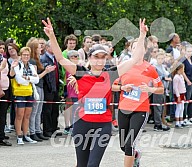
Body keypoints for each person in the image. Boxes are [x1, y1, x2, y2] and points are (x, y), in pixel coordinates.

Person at [42, 17, 147, 167]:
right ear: (89, 58)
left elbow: (134, 58)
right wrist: (51, 36)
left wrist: (142, 35)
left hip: (103, 125)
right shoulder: (80, 72)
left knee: (93, 164)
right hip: (82, 124)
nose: (99, 61)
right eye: (96, 57)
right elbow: (60, 58)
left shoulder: (110, 74)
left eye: (103, 57)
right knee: (82, 165)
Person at [112, 41, 164, 166]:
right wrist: (123, 87)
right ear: (130, 49)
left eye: (139, 47)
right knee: (123, 146)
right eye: (134, 47)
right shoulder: (124, 66)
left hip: (141, 109)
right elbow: (112, 85)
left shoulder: (150, 68)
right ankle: (136, 155)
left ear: (144, 50)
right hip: (123, 109)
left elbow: (161, 89)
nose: (136, 50)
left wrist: (150, 89)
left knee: (130, 143)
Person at [13, 47, 39, 144]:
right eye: (24, 55)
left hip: (29, 92)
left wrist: (27, 77)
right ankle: (19, 136)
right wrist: (31, 79)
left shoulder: (31, 66)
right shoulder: (17, 65)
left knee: (27, 115)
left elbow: (37, 80)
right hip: (20, 93)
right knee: (20, 115)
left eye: (27, 55)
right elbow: (19, 80)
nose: (26, 56)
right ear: (21, 55)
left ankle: (26, 134)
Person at [40, 40, 62, 138]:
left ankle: (54, 128)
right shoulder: (43, 58)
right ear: (48, 47)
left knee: (55, 109)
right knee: (47, 110)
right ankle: (47, 130)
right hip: (48, 87)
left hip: (55, 86)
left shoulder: (55, 58)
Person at [173, 64, 187, 128]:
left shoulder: (181, 76)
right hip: (178, 94)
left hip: (182, 93)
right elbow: (175, 88)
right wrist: (178, 96)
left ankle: (181, 121)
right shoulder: (176, 77)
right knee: (178, 108)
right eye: (183, 69)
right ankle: (177, 122)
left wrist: (183, 95)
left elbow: (183, 86)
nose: (183, 70)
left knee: (182, 108)